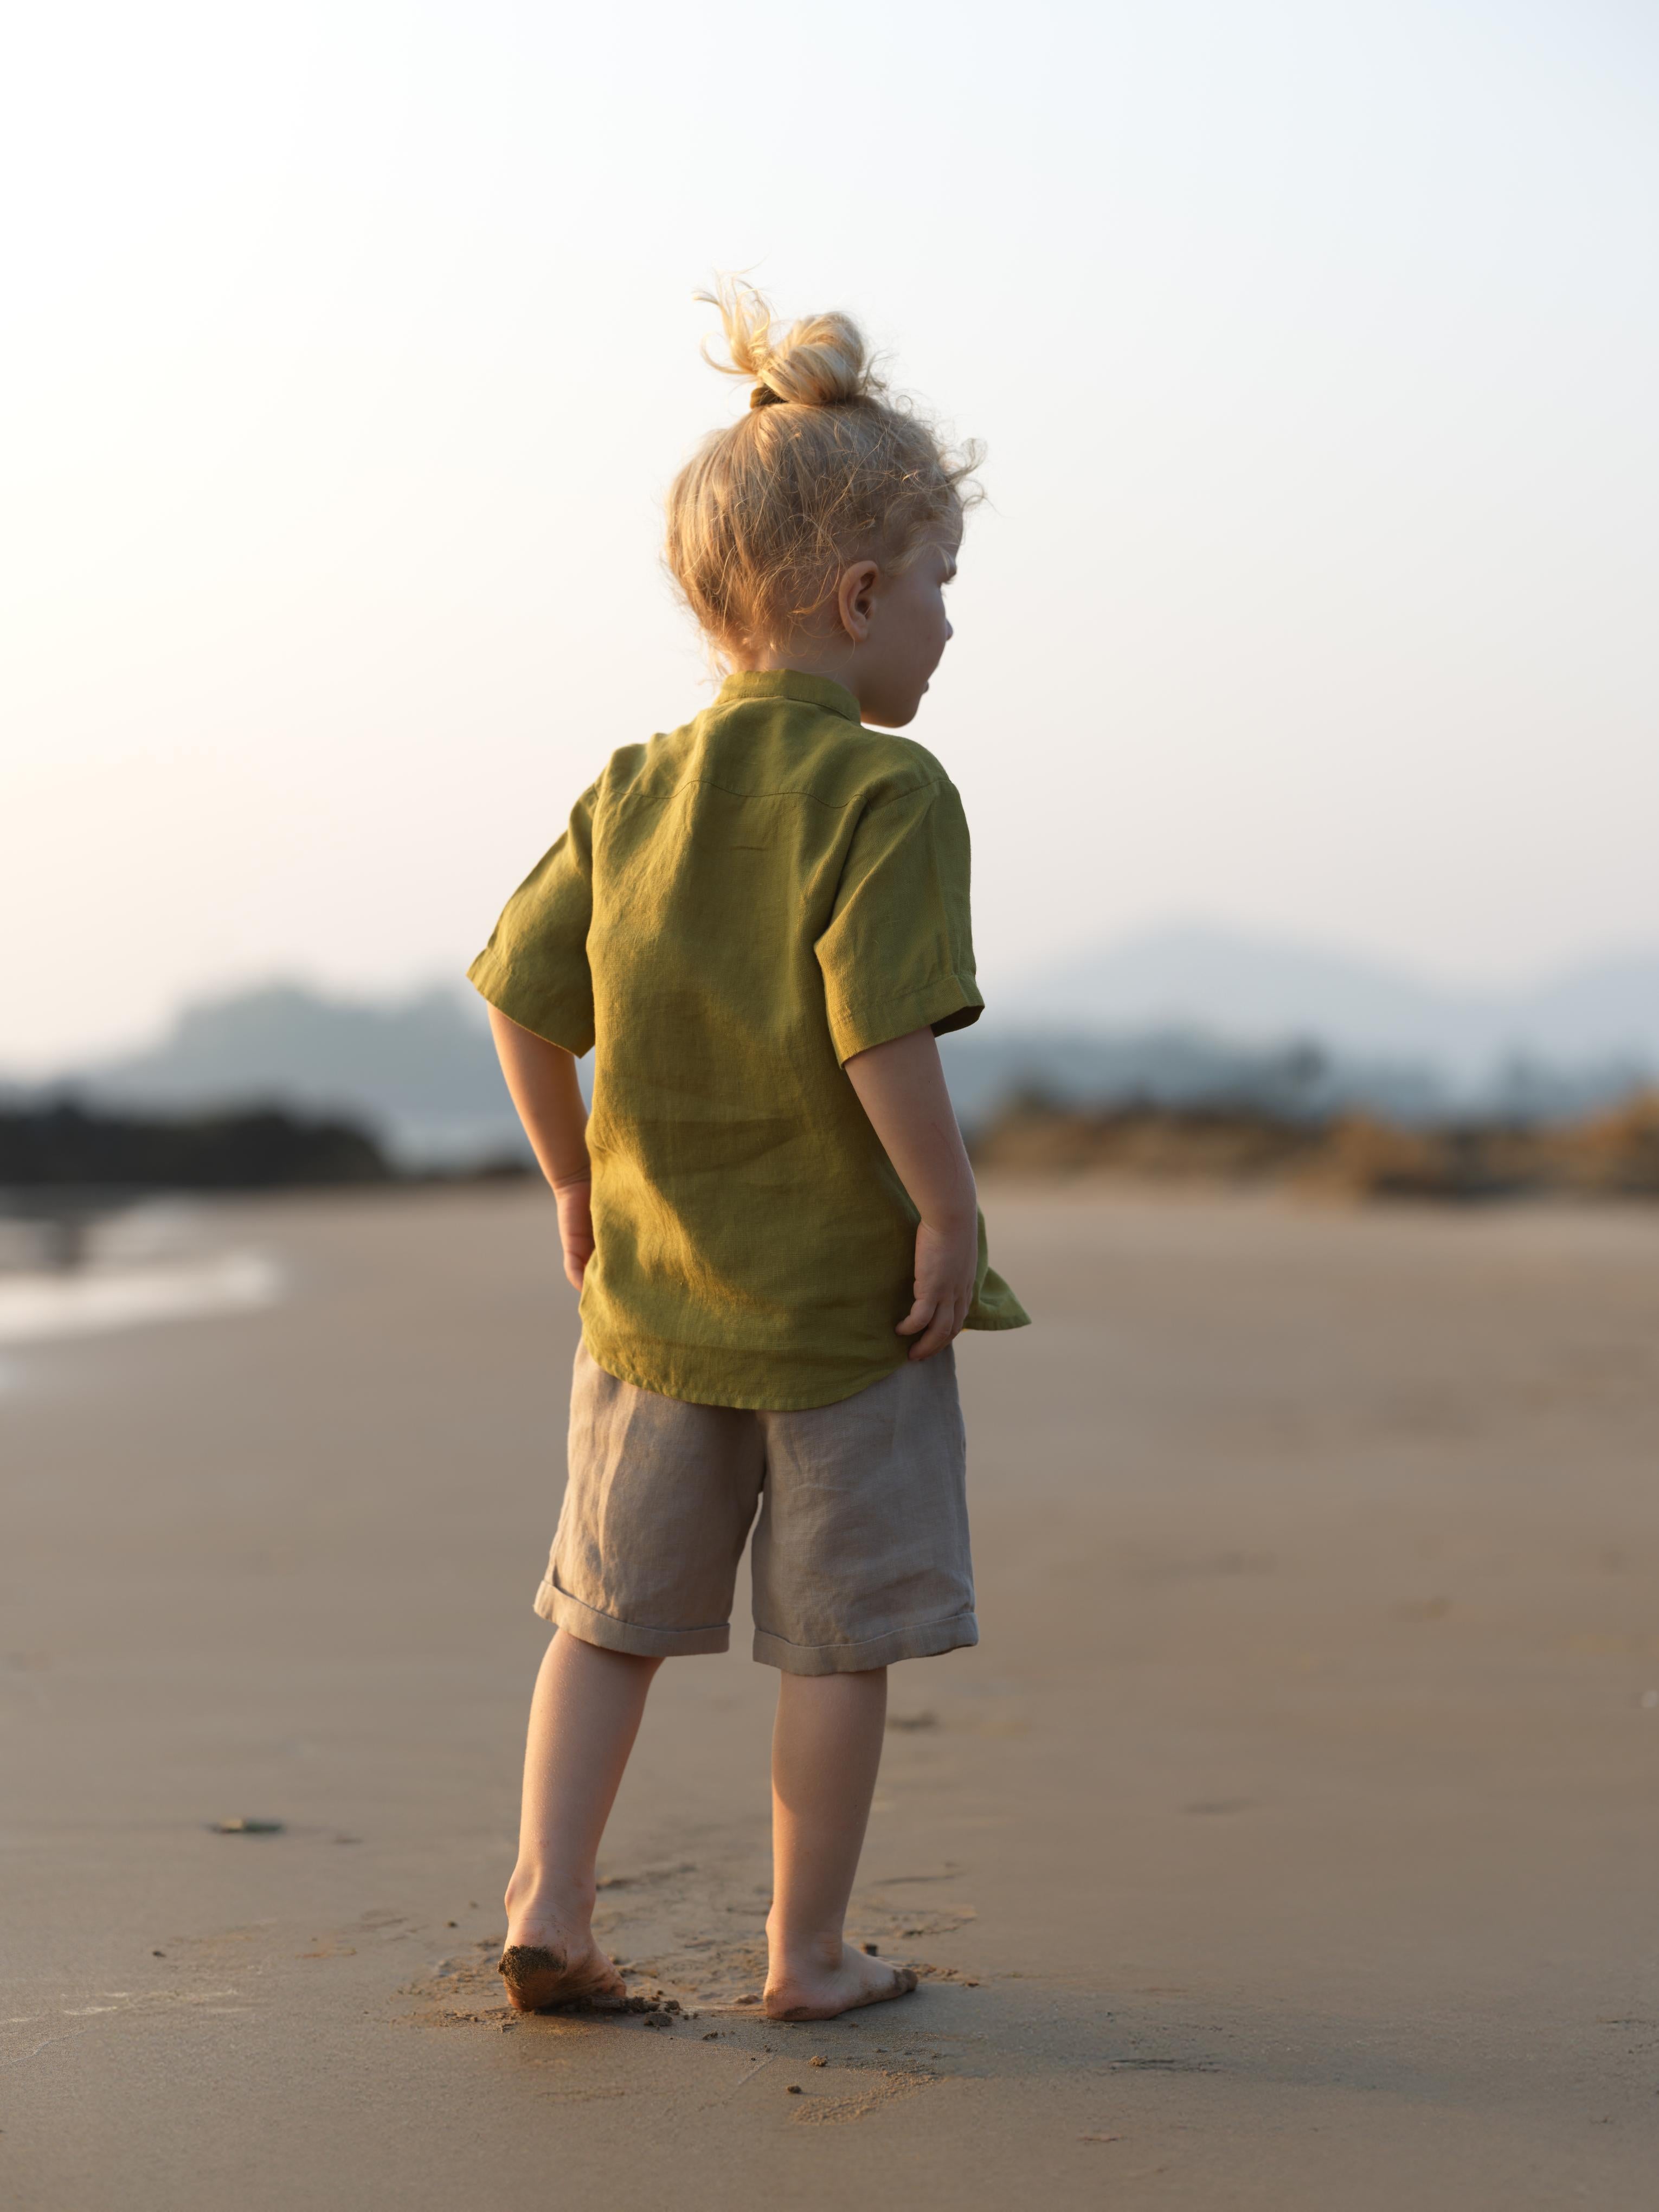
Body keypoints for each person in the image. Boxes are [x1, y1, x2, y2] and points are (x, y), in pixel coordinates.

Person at [468, 280, 1030, 2024]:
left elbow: (516, 996)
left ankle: (548, 1901)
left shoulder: (633, 789)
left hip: (645, 1307)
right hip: (840, 1322)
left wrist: (571, 1180)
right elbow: (878, 1030)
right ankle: (804, 1955)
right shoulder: (883, 797)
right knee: (835, 1641)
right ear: (858, 598)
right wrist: (945, 1207)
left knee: (610, 1619)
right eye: (938, 588)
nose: (943, 627)